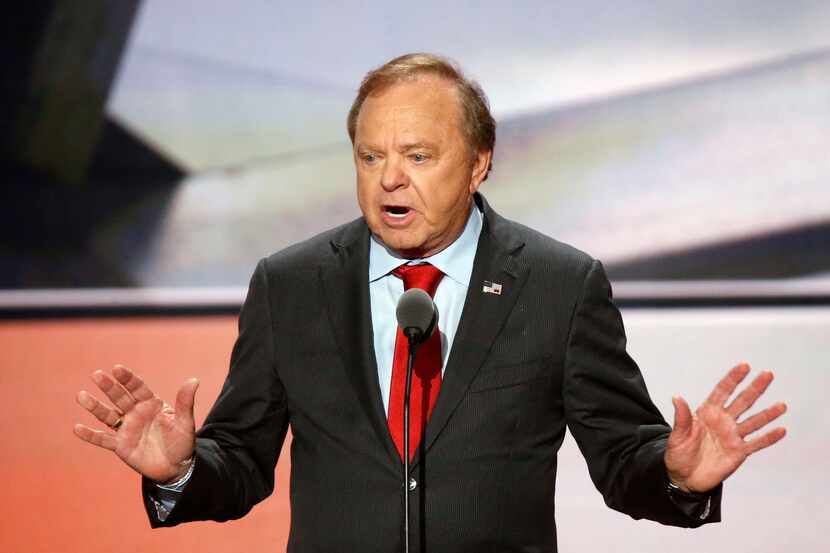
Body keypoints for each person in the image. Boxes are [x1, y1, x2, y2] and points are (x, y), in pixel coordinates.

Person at [74, 53, 787, 552]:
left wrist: (677, 474)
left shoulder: (560, 286)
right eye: (370, 156)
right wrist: (180, 470)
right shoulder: (290, 284)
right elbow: (240, 463)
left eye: (418, 156)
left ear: (479, 161)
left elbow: (622, 456)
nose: (390, 181)